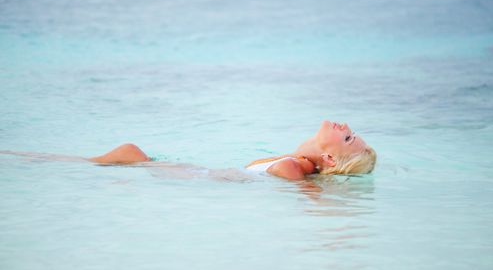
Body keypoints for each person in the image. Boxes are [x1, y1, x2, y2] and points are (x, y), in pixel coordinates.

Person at [89, 120, 376, 180]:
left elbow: (285, 172)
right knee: (130, 156)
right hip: (198, 175)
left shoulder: (295, 167)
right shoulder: (300, 161)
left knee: (130, 153)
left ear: (328, 158)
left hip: (197, 178)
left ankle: (50, 160)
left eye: (348, 138)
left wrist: (317, 200)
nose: (346, 127)